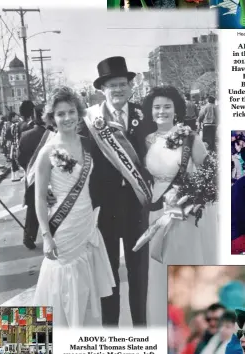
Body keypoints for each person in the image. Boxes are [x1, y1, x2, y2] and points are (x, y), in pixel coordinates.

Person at [33, 87, 115, 326]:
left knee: (84, 287)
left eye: (71, 112)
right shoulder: (47, 152)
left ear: (79, 114)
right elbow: (39, 198)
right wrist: (46, 236)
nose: (67, 118)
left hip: (87, 222)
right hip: (62, 226)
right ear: (52, 118)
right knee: (62, 282)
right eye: (60, 114)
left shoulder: (89, 144)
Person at [84, 56, 151, 326]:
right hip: (105, 208)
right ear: (102, 89)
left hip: (138, 206)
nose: (119, 90)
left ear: (130, 86)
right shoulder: (90, 119)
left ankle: (141, 328)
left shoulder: (143, 115)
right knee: (108, 272)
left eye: (123, 84)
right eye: (112, 85)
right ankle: (110, 330)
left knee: (139, 272)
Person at [142, 86, 218, 326]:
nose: (161, 111)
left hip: (183, 212)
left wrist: (188, 197)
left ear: (176, 110)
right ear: (150, 111)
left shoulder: (190, 137)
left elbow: (210, 174)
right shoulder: (147, 139)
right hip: (156, 208)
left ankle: (190, 320)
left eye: (167, 106)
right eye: (157, 107)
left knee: (183, 262)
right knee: (159, 265)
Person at [18, 105, 52, 250]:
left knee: (33, 208)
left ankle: (29, 237)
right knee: (52, 206)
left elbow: (19, 158)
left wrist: (29, 169)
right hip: (51, 177)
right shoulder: (54, 136)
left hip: (32, 177)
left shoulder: (25, 135)